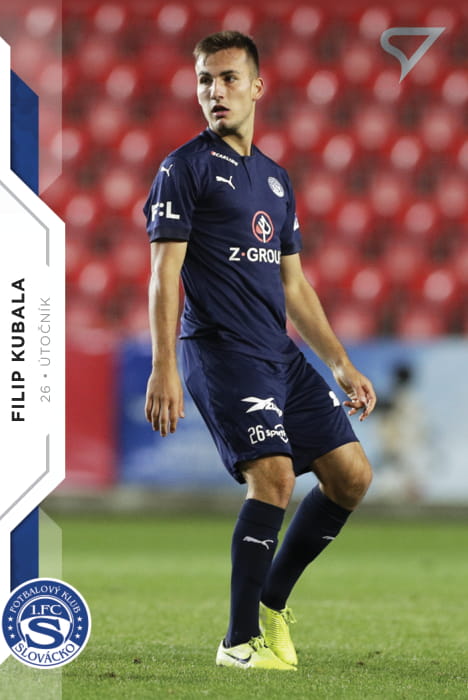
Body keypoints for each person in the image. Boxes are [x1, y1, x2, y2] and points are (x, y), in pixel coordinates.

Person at [144, 30, 376, 671]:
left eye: (227, 78)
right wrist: (164, 365)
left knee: (353, 476)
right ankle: (239, 642)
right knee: (273, 477)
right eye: (204, 80)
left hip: (278, 353)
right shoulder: (183, 169)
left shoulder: (275, 180)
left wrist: (339, 361)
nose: (215, 91)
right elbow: (164, 273)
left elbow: (293, 284)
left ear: (256, 87)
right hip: (220, 351)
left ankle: (271, 603)